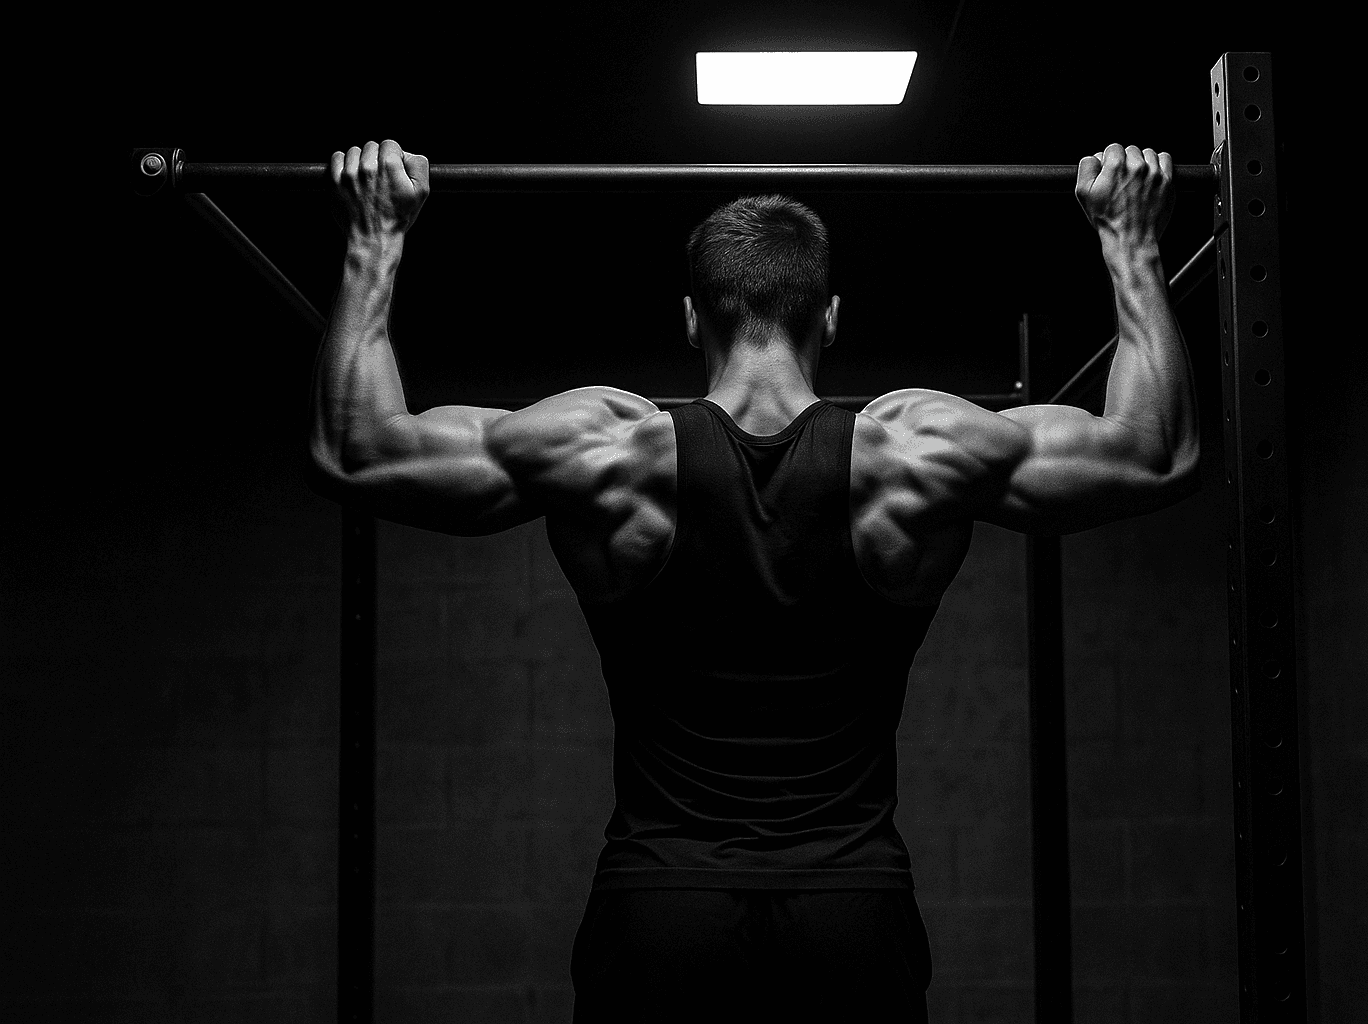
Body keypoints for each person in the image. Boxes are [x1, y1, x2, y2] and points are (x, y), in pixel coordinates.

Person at [308, 140, 1199, 1022]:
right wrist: (1130, 240)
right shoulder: (915, 450)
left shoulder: (611, 448)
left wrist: (373, 239)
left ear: (692, 319)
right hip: (852, 912)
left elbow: (361, 448)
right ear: (833, 316)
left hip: (661, 913)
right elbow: (1152, 452)